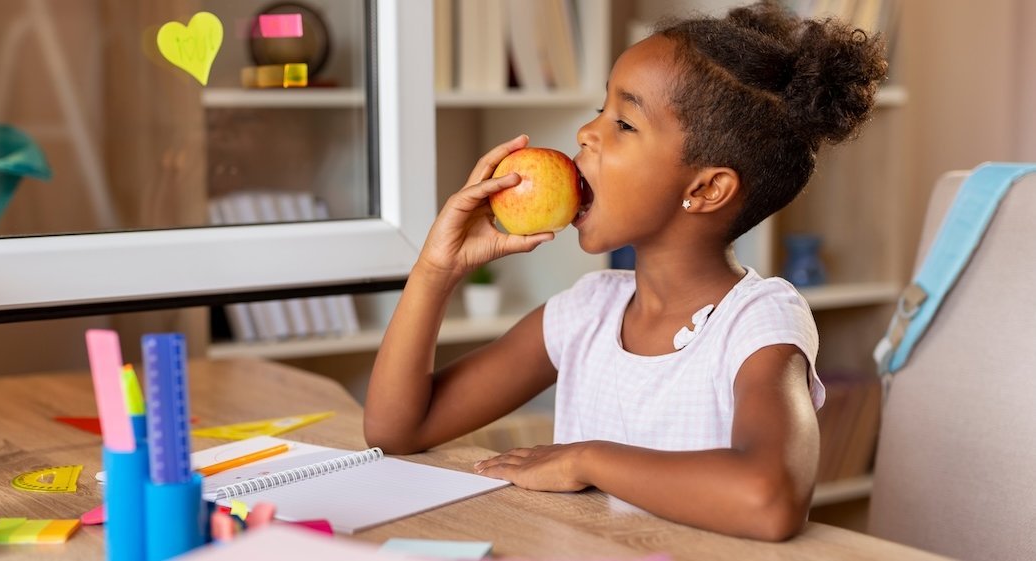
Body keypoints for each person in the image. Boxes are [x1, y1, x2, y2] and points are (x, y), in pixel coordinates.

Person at [364, 0, 886, 541]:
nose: (587, 134)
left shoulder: (757, 324)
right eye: (598, 109)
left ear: (706, 189)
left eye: (623, 122)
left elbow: (769, 498)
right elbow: (397, 430)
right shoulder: (587, 312)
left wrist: (585, 460)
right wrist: (435, 268)